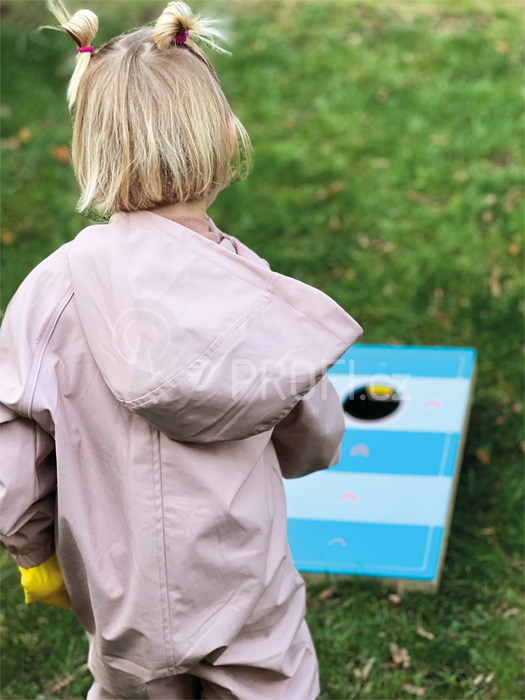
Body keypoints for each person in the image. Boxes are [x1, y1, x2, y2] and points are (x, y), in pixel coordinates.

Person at [0, 1, 363, 698]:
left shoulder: (49, 295)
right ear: (226, 140)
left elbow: (14, 460)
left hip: (119, 596)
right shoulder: (256, 299)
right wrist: (310, 446)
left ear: (90, 151)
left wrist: (32, 550)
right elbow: (312, 434)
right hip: (246, 590)